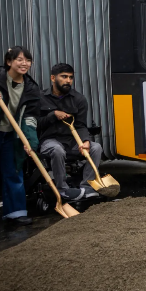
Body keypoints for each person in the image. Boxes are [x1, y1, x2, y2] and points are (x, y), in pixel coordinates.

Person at [38, 63, 103, 202]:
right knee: (57, 150)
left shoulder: (78, 99)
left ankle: (87, 187)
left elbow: (80, 125)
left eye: (71, 77)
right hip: (49, 140)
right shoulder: (41, 98)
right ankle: (62, 189)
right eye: (64, 77)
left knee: (96, 148)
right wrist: (52, 115)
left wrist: (85, 140)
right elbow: (35, 124)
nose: (68, 80)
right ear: (53, 78)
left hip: (71, 141)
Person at [0, 47, 39, 227]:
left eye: (27, 60)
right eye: (20, 60)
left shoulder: (30, 88)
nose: (24, 64)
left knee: (13, 171)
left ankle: (15, 212)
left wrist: (29, 140)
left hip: (11, 135)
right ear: (9, 62)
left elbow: (30, 117)